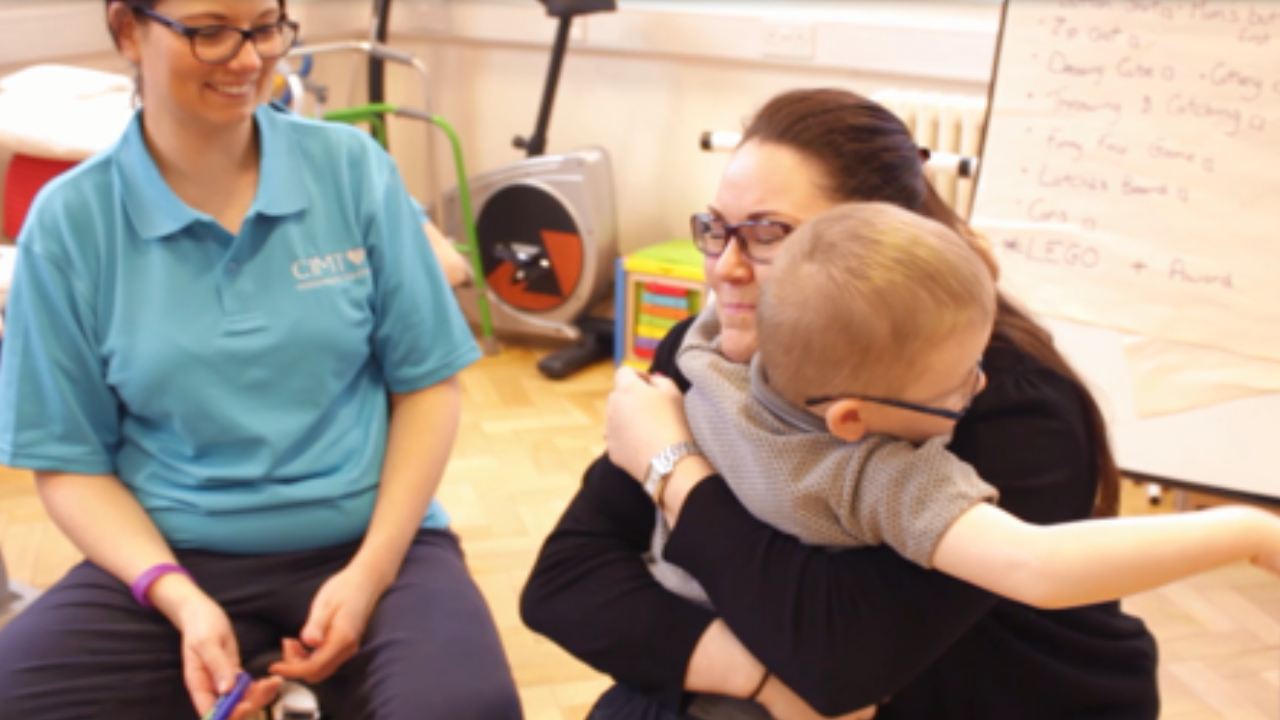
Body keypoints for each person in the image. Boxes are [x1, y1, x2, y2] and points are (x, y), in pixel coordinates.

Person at [521, 88, 1166, 720]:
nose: (724, 268)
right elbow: (565, 581)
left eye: (770, 234)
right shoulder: (711, 354)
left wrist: (672, 467)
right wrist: (760, 679)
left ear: (875, 245)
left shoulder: (1002, 403)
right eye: (717, 230)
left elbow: (838, 660)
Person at [0, 2, 522, 719]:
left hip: (370, 542)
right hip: (172, 558)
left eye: (266, 26)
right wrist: (180, 600)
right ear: (127, 31)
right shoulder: (69, 223)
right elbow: (67, 462)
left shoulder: (353, 171)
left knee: (468, 709)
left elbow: (427, 388)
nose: (247, 60)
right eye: (210, 30)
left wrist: (368, 576)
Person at [649, 201, 1280, 623]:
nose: (979, 384)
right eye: (957, 383)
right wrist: (1248, 532)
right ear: (850, 421)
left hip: (670, 604)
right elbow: (1040, 568)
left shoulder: (707, 358)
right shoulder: (866, 477)